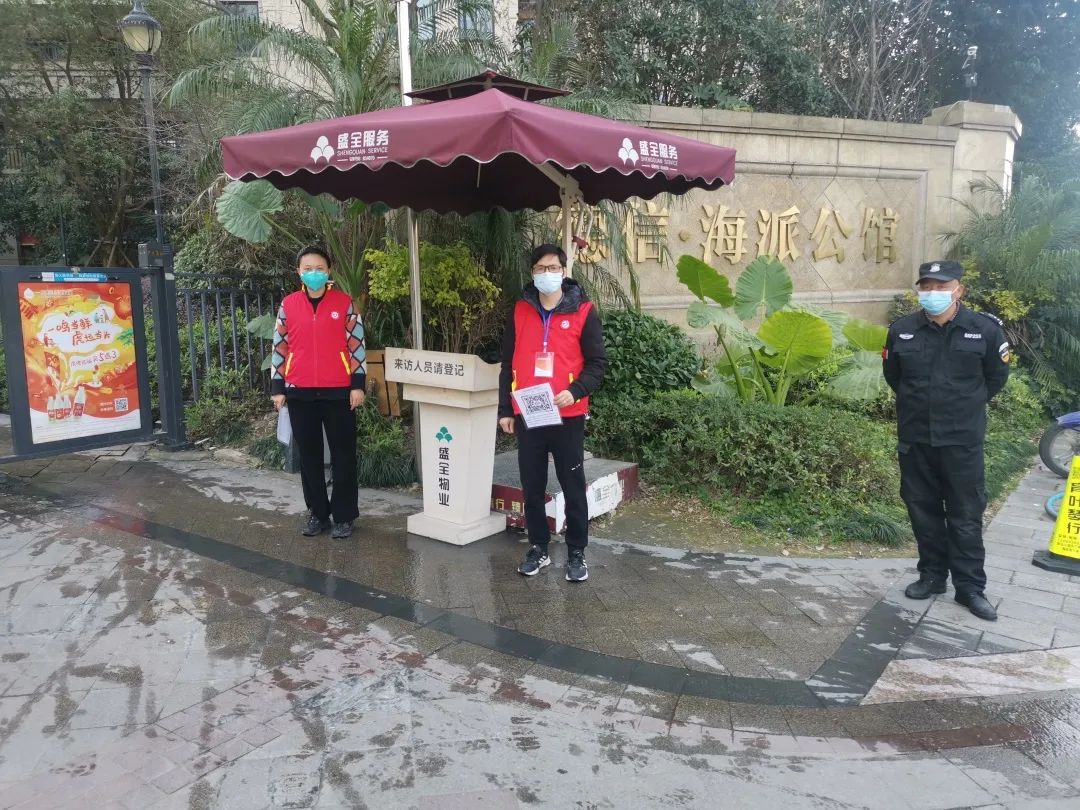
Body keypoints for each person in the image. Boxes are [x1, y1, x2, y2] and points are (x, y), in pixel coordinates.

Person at [883, 259, 1010, 621]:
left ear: (959, 290)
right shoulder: (902, 331)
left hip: (961, 442)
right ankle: (932, 576)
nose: (933, 293)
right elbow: (894, 377)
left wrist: (961, 407)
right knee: (922, 510)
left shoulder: (984, 330)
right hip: (916, 439)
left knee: (965, 514)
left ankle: (970, 588)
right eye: (927, 286)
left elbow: (995, 378)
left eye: (941, 286)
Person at [498, 244, 607, 582]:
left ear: (563, 270)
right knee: (531, 485)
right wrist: (505, 409)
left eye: (553, 268)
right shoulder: (520, 310)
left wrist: (574, 391)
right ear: (532, 273)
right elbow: (507, 363)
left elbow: (597, 365)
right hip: (530, 412)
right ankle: (539, 548)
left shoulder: (584, 311)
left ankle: (576, 552)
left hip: (567, 414)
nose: (547, 274)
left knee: (572, 484)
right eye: (540, 269)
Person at [270, 246, 366, 539]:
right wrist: (278, 387)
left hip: (339, 392)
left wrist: (357, 384)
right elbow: (279, 346)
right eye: (308, 268)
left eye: (319, 268)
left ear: (329, 271)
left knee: (343, 456)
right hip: (299, 391)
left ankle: (344, 516)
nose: (314, 273)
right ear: (298, 272)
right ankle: (318, 513)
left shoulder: (344, 303)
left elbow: (356, 345)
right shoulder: (288, 305)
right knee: (309, 457)